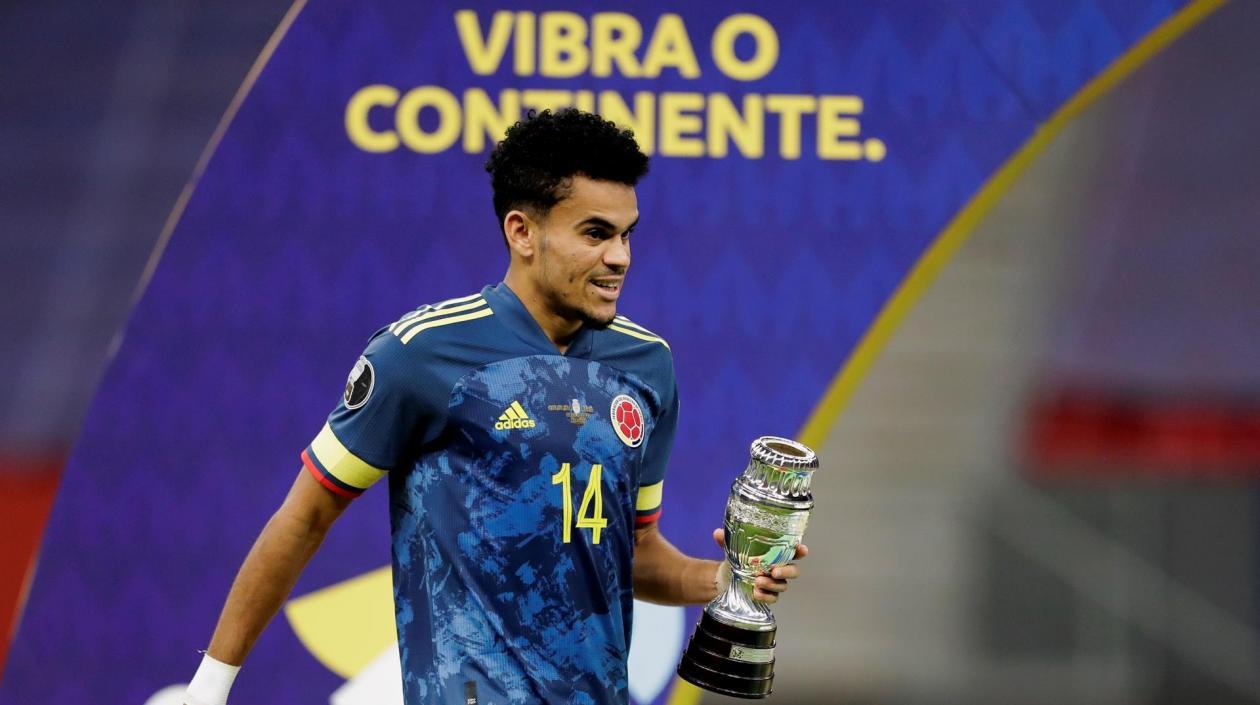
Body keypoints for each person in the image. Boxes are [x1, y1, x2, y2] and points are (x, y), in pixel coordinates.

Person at [185, 108, 807, 705]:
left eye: (625, 234)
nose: (620, 257)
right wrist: (210, 688)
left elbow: (636, 552)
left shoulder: (649, 367)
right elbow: (306, 516)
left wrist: (725, 581)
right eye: (594, 234)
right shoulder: (419, 354)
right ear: (522, 232)